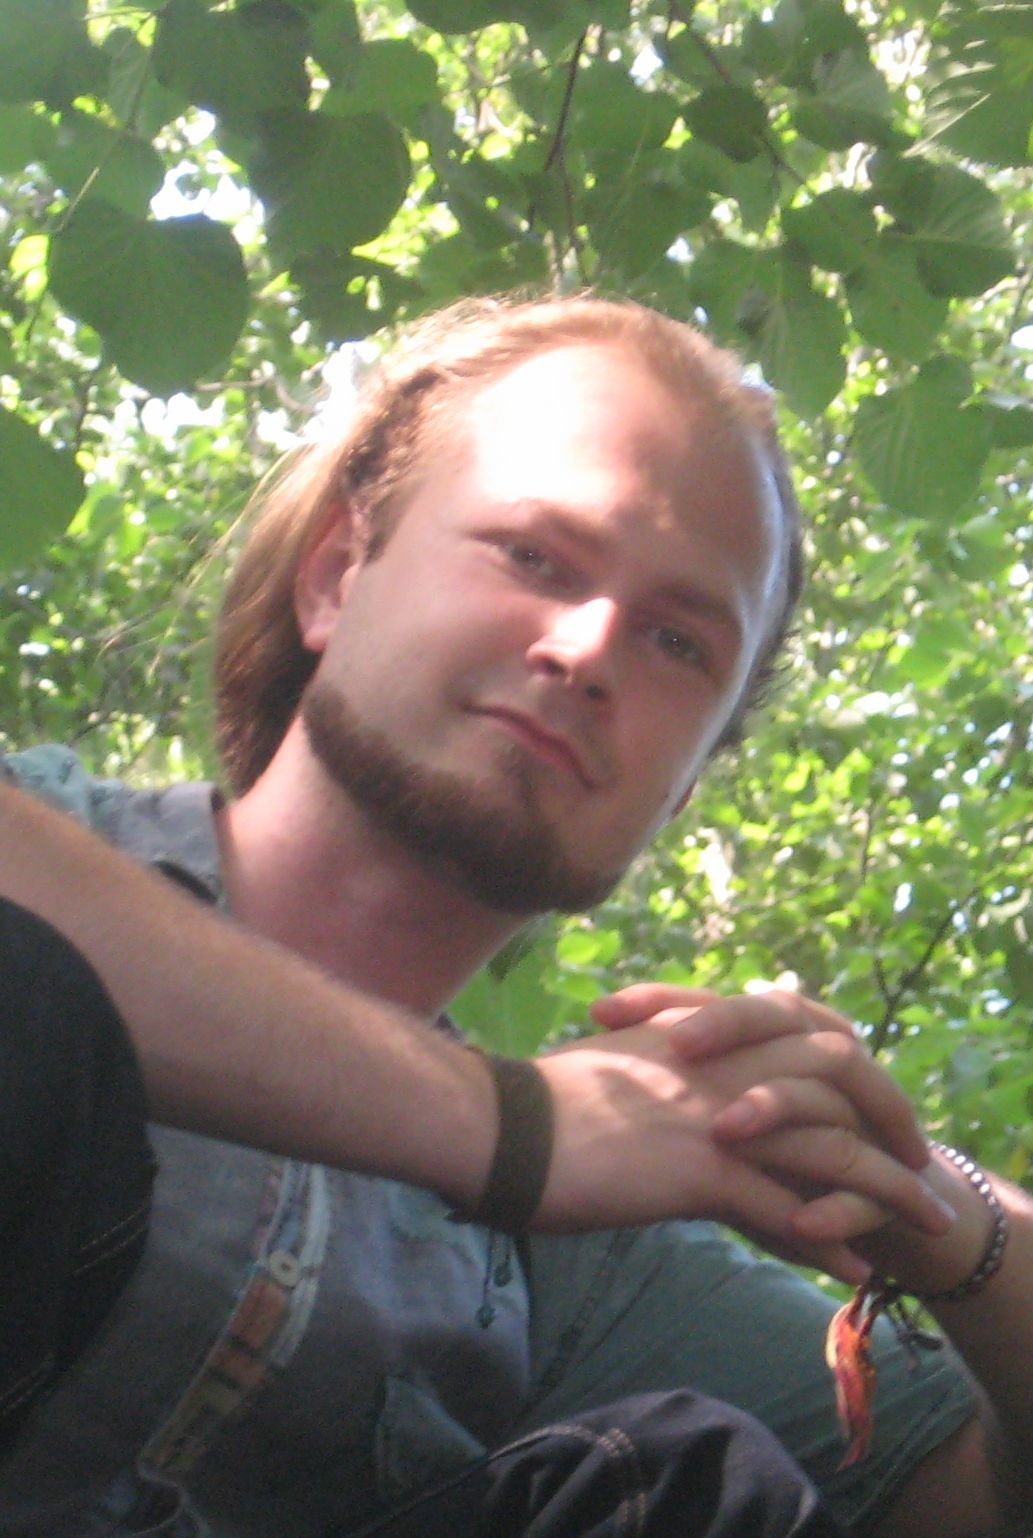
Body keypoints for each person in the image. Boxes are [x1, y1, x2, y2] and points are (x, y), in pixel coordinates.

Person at [0, 294, 1030, 1537]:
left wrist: (937, 1212)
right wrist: (509, 1126)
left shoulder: (578, 1268)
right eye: (534, 555)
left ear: (682, 785)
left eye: (678, 641)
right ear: (334, 574)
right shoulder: (43, 832)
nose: (588, 648)